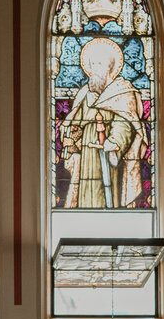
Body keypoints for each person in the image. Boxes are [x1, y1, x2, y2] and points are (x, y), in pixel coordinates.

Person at [57, 37, 147, 208]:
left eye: (100, 64)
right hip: (86, 155)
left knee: (109, 193)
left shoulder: (122, 91)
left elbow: (126, 122)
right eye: (92, 64)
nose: (94, 69)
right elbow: (73, 121)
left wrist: (113, 142)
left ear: (110, 67)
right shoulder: (84, 93)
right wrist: (72, 136)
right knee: (85, 192)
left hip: (109, 154)